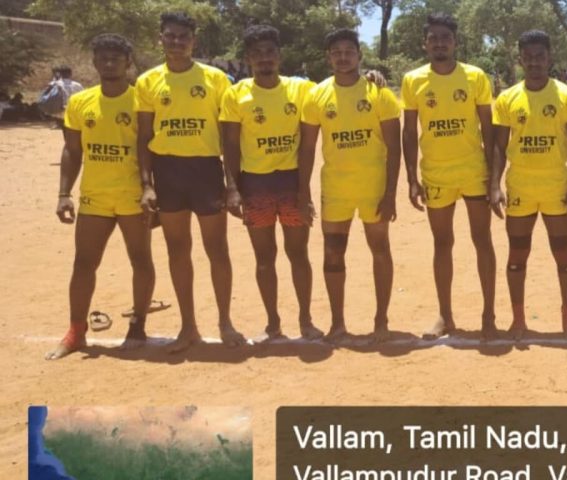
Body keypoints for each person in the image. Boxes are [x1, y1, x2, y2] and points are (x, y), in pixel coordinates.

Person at [136, 12, 242, 353]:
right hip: (168, 173)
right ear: (161, 39)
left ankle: (225, 322)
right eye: (170, 36)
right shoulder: (148, 81)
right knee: (178, 250)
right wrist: (147, 184)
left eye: (183, 36)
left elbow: (229, 137)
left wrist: (232, 184)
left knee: (217, 249)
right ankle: (188, 326)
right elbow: (143, 137)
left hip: (206, 171)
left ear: (194, 41)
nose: (177, 42)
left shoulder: (215, 79)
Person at [46, 33, 155, 360]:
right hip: (95, 197)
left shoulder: (141, 101)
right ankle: (76, 331)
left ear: (128, 63)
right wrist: (63, 193)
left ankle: (138, 324)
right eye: (103, 58)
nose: (109, 63)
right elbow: (72, 150)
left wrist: (152, 189)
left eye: (116, 58)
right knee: (84, 263)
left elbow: (151, 149)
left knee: (140, 259)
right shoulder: (80, 102)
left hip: (133, 195)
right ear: (94, 62)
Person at [219, 25, 324, 342]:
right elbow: (230, 145)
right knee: (264, 259)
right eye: (257, 53)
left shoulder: (301, 89)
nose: (264, 58)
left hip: (292, 183)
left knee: (298, 254)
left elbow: (337, 88)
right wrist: (233, 188)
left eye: (269, 52)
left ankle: (306, 319)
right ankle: (273, 322)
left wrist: (372, 76)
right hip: (255, 186)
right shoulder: (236, 94)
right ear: (248, 58)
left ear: (280, 55)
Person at [298, 28, 403, 342]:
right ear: (328, 58)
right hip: (336, 189)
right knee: (333, 253)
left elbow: (394, 147)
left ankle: (381, 320)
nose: (343, 57)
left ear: (359, 55)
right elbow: (307, 148)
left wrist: (390, 194)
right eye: (336, 53)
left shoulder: (378, 93)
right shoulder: (316, 95)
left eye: (349, 51)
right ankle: (337, 322)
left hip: (373, 187)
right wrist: (303, 193)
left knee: (380, 250)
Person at [401, 13, 499, 340]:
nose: (440, 43)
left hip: (474, 172)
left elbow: (488, 128)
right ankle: (445, 316)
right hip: (436, 174)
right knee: (442, 243)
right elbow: (409, 132)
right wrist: (412, 178)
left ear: (455, 42)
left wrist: (493, 178)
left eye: (445, 37)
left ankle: (488, 315)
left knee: (482, 240)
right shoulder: (413, 80)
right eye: (434, 38)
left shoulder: (475, 77)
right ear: (425, 43)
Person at [489, 30, 567, 341]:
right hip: (520, 187)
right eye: (528, 57)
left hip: (556, 187)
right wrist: (494, 185)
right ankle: (518, 321)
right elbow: (498, 147)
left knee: (564, 254)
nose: (534, 63)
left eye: (540, 57)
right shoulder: (507, 98)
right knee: (517, 256)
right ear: (520, 59)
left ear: (549, 58)